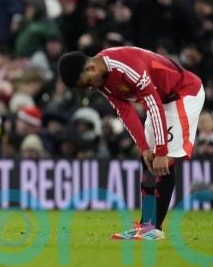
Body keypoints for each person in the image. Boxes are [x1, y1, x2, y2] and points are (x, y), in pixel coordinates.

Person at [58, 46, 204, 240]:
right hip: (163, 101)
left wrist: (161, 151)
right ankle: (146, 225)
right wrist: (144, 148)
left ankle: (153, 229)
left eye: (87, 83)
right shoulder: (102, 79)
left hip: (183, 93)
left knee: (164, 161)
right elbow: (124, 111)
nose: (91, 88)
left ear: (91, 68)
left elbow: (153, 105)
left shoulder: (126, 67)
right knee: (148, 160)